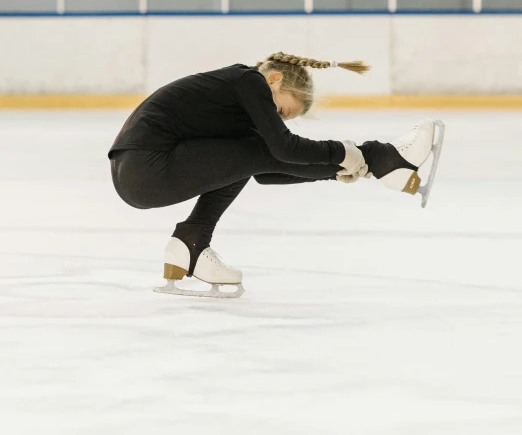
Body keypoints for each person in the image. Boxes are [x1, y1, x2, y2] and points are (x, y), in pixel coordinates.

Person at [109, 52, 442, 297]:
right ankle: (384, 157)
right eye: (282, 110)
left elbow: (266, 172)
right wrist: (343, 152)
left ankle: (190, 245)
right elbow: (281, 149)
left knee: (248, 151)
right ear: (275, 80)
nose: (278, 118)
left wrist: (333, 172)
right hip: (145, 167)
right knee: (255, 148)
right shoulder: (248, 80)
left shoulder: (238, 99)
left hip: (138, 173)